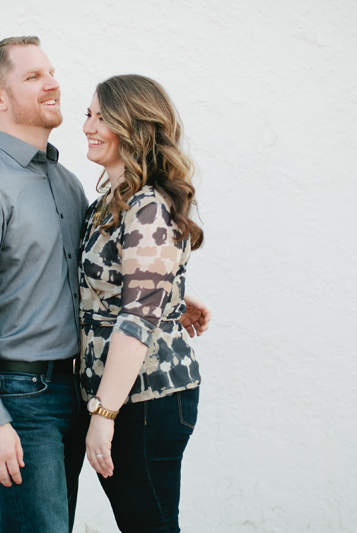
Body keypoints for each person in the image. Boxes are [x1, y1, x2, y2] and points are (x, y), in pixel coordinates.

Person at [0, 37, 210, 533]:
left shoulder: (67, 183)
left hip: (79, 390)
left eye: (52, 71)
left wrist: (161, 293)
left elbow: (81, 276)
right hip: (24, 397)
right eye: (33, 76)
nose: (53, 84)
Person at [79, 75, 204, 533]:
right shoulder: (112, 201)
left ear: (135, 126)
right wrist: (173, 296)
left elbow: (135, 319)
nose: (89, 126)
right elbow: (123, 285)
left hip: (145, 398)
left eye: (102, 117)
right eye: (87, 115)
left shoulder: (147, 204)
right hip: (124, 394)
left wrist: (103, 415)